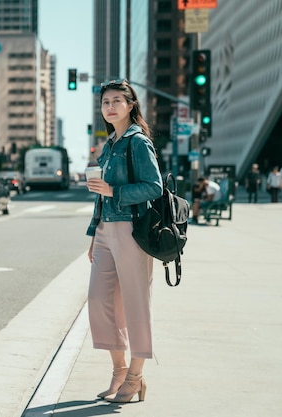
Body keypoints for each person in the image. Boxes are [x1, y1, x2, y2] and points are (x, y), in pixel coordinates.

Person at [85, 79, 163, 403]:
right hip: (105, 230)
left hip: (131, 231)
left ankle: (136, 376)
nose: (111, 106)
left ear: (131, 105)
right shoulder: (110, 145)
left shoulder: (137, 141)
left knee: (135, 306)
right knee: (98, 301)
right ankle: (118, 369)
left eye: (118, 100)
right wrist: (93, 233)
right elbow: (99, 196)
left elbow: (154, 186)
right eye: (106, 102)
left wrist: (115, 192)